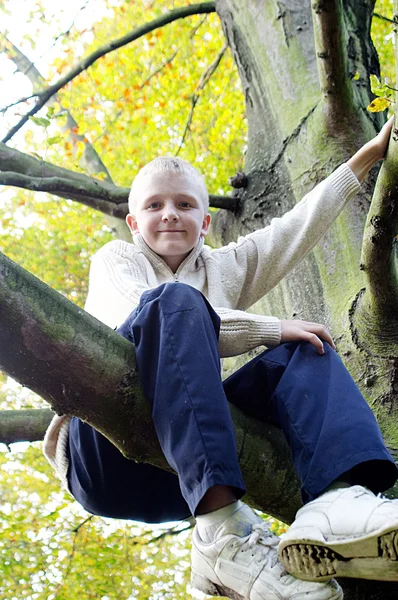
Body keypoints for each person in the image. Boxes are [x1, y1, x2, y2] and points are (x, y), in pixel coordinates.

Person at [44, 118, 398, 600]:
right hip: (105, 458)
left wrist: (369, 157)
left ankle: (340, 501)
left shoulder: (221, 267)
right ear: (133, 223)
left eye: (185, 204)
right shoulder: (116, 260)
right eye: (154, 205)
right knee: (175, 302)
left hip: (184, 464)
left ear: (206, 221)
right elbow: (144, 315)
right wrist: (267, 328)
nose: (170, 214)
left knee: (303, 349)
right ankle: (220, 535)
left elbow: (293, 229)